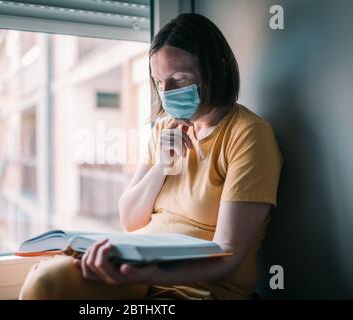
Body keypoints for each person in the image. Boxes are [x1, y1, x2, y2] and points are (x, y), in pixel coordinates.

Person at [19, 13, 282, 300]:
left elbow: (228, 253)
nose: (166, 93)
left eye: (179, 79)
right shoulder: (165, 130)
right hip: (142, 272)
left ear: (218, 70)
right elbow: (129, 220)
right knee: (46, 281)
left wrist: (150, 272)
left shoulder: (249, 134)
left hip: (198, 288)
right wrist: (161, 166)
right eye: (159, 82)